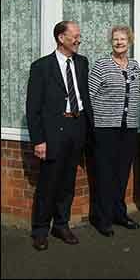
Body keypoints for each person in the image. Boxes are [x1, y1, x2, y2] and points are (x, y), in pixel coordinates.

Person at [26, 21, 94, 251]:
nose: (78, 39)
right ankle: (40, 230)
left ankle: (61, 225)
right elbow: (33, 108)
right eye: (74, 36)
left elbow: (85, 96)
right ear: (61, 37)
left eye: (79, 35)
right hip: (54, 131)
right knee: (48, 183)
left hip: (77, 127)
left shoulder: (82, 63)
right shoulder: (41, 67)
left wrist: (89, 129)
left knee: (67, 182)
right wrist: (38, 140)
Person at [88, 25, 140, 237]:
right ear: (111, 42)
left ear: (130, 42)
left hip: (128, 129)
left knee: (121, 174)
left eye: (123, 39)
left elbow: (135, 95)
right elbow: (89, 96)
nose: (119, 42)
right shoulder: (101, 65)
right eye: (116, 39)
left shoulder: (135, 65)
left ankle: (119, 213)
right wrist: (91, 127)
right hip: (105, 129)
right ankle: (103, 218)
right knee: (104, 174)